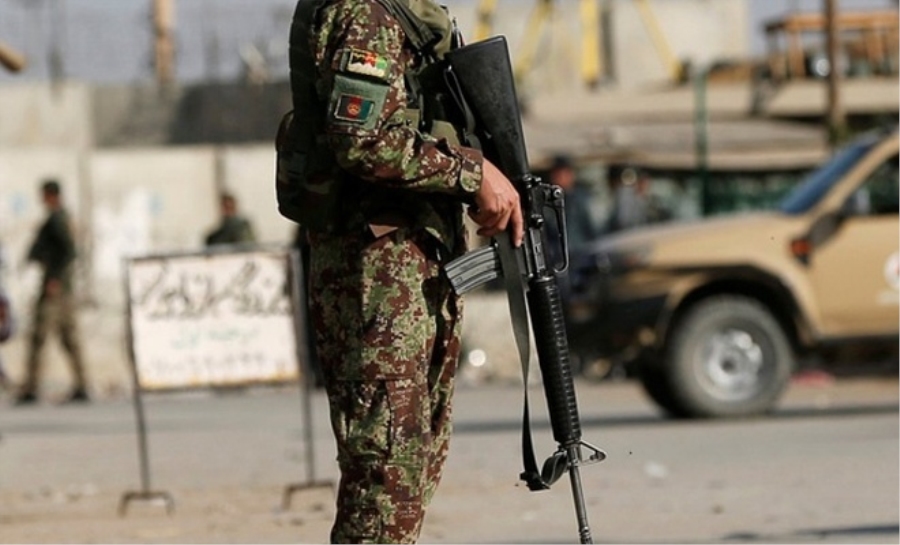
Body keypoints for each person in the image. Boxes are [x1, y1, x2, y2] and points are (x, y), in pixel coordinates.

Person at [280, 1, 523, 542]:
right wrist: (472, 175)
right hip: (377, 270)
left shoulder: (404, 11)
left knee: (409, 467)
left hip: (411, 262)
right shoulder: (365, 13)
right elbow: (362, 139)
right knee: (386, 473)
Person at [15, 180, 89, 405]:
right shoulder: (60, 217)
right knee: (68, 337)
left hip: (54, 289)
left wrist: (54, 278)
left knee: (39, 336)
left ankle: (31, 387)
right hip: (61, 289)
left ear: (50, 195)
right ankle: (81, 385)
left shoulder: (57, 219)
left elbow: (68, 251)